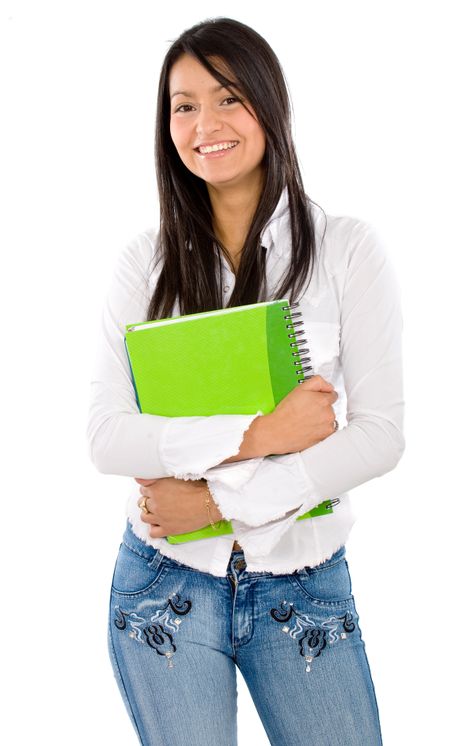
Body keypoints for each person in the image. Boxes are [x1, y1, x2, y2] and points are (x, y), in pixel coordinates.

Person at [86, 16, 404, 746]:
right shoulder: (146, 262)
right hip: (164, 592)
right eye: (184, 105)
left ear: (270, 105)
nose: (206, 124)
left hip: (305, 589)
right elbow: (107, 437)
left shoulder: (347, 251)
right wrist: (261, 436)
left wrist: (220, 500)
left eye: (229, 97)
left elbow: (381, 436)